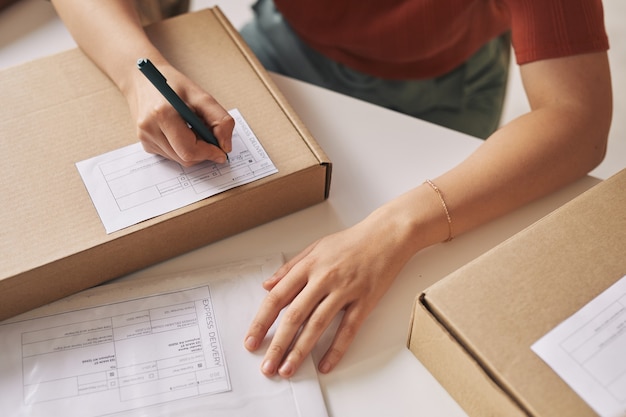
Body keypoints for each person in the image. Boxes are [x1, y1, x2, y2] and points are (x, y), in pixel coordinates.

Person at [51, 0, 612, 379]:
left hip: (441, 79)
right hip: (282, 43)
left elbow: (578, 119)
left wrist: (396, 227)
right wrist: (136, 70)